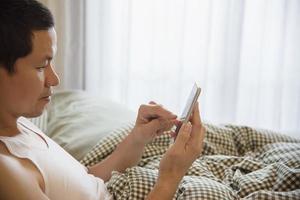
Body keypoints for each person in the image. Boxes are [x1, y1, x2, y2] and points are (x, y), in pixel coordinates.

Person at [0, 0, 206, 199]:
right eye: (41, 67)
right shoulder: (8, 171)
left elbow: (87, 182)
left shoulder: (20, 124)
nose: (54, 79)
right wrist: (170, 176)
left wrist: (138, 137)